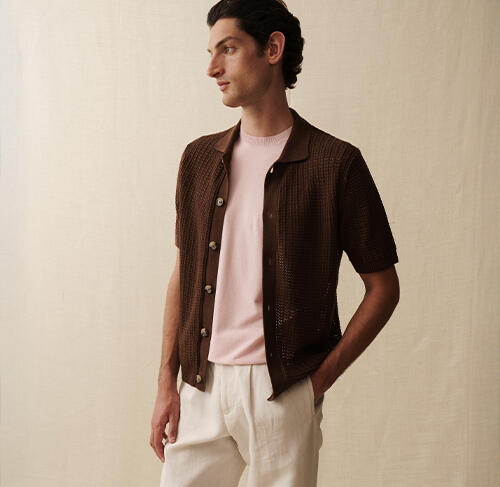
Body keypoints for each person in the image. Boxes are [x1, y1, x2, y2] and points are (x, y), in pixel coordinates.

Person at [150, 1, 400, 486]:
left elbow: (384, 287)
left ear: (272, 49)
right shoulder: (199, 159)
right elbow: (184, 273)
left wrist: (318, 381)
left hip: (281, 388)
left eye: (228, 49)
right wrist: (166, 382)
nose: (212, 68)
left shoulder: (334, 164)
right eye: (210, 52)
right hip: (200, 383)